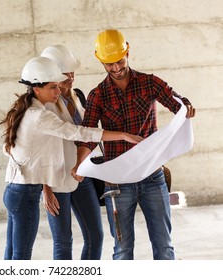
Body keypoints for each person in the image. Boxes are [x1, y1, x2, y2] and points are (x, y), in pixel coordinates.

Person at [0, 56, 143, 260]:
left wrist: (27, 164)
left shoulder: (25, 110)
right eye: (53, 87)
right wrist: (121, 135)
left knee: (12, 251)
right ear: (36, 88)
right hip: (26, 191)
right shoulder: (40, 116)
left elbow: (8, 148)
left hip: (15, 189)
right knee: (21, 256)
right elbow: (78, 133)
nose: (58, 92)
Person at [72, 29, 196, 260]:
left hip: (152, 177)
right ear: (99, 60)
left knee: (164, 246)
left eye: (120, 60)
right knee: (122, 249)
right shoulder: (98, 95)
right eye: (109, 64)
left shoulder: (149, 83)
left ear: (128, 51)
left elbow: (176, 101)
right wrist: (80, 164)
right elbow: (88, 134)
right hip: (117, 184)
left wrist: (186, 106)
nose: (116, 68)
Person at [40, 44, 103, 260]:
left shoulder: (78, 96)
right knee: (63, 242)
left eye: (72, 71)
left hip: (82, 175)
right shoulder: (45, 105)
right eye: (64, 73)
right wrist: (45, 189)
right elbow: (39, 149)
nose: (70, 76)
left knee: (96, 236)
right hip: (55, 179)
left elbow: (87, 134)